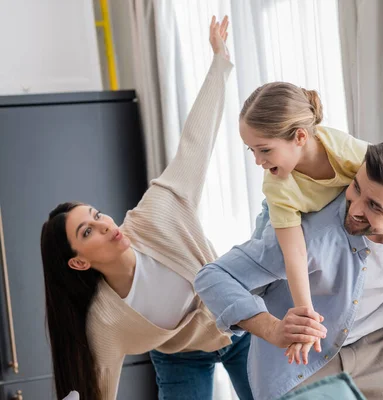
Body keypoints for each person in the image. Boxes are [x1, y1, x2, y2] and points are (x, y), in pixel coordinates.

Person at [40, 16, 252, 400]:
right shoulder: (106, 321)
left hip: (241, 323)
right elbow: (98, 391)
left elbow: (195, 143)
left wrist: (219, 65)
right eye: (86, 232)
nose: (104, 225)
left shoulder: (157, 215)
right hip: (180, 357)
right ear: (79, 262)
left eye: (96, 214)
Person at [195, 139, 383, 400]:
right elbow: (213, 277)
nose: (354, 208)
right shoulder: (310, 236)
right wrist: (271, 329)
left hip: (380, 346)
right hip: (304, 359)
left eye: (375, 207)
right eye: (355, 188)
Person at [239, 83, 383, 363]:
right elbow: (294, 255)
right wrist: (305, 315)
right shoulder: (277, 185)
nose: (258, 160)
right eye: (252, 151)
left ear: (300, 136)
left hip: (341, 223)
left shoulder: (343, 150)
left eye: (265, 150)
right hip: (278, 220)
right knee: (261, 280)